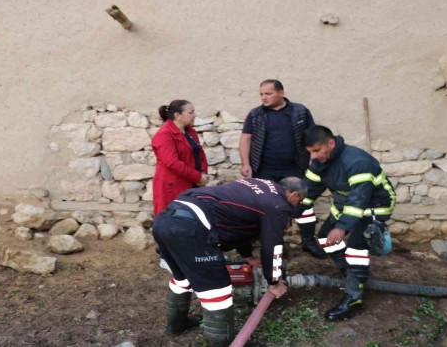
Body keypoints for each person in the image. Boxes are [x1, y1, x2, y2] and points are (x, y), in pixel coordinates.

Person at [152, 177, 306, 346]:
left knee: (182, 278)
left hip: (166, 219)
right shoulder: (278, 205)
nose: (296, 206)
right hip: (189, 227)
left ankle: (176, 325)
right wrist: (275, 282)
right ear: (294, 195)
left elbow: (240, 223)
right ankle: (224, 343)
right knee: (217, 289)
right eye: (299, 201)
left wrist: (247, 256)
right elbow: (273, 246)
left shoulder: (258, 185)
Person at [298, 125, 396, 321]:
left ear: (331, 143)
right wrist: (293, 209)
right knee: (326, 238)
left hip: (373, 206)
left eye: (317, 151)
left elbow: (359, 199)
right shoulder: (320, 161)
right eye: (310, 153)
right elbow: (308, 190)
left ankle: (354, 298)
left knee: (355, 250)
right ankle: (351, 273)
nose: (314, 156)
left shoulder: (358, 161)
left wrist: (342, 227)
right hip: (346, 204)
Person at [238, 79, 324, 258]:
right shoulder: (255, 114)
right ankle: (276, 245)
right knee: (268, 207)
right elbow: (246, 138)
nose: (264, 97)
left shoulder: (300, 111)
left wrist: (312, 159)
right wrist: (246, 163)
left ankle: (308, 242)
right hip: (264, 170)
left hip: (295, 169)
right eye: (261, 94)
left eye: (268, 93)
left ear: (281, 93)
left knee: (304, 205)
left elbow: (312, 135)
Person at [151, 99, 209, 216]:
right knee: (175, 220)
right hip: (173, 187)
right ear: (178, 115)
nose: (194, 115)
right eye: (191, 112)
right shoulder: (164, 135)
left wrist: (203, 172)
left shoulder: (190, 131)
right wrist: (197, 177)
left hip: (192, 184)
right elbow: (172, 163)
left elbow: (199, 153)